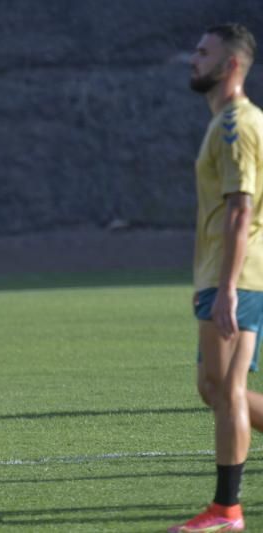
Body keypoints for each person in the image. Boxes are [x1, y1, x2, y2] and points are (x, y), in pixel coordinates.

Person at [169, 23, 263, 533]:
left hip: (240, 277)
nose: (193, 58)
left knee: (226, 389)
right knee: (212, 387)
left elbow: (241, 210)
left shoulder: (237, 125)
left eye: (203, 53)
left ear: (230, 66)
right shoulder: (223, 121)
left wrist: (226, 286)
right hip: (222, 276)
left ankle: (227, 511)